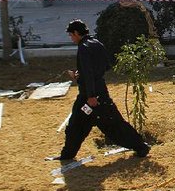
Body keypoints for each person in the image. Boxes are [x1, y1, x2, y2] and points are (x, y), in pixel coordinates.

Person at [52, 19, 150, 160]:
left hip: (91, 96)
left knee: (112, 126)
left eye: (71, 35)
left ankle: (141, 147)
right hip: (96, 94)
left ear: (76, 33)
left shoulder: (83, 47)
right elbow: (105, 66)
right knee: (77, 125)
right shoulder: (97, 43)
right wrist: (82, 75)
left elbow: (89, 74)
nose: (71, 38)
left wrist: (88, 91)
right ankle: (67, 155)